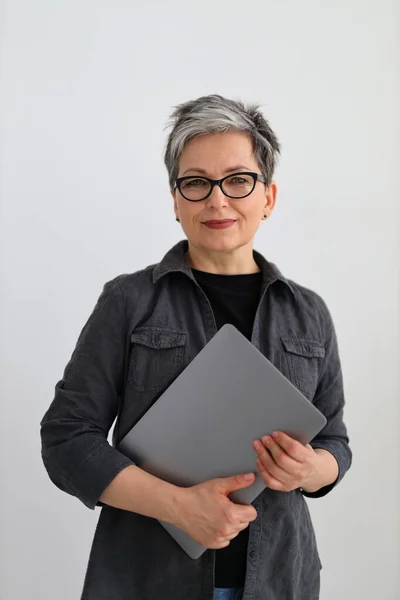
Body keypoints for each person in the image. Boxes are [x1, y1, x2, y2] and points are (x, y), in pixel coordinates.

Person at [40, 94, 352, 600]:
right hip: (146, 580)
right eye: (196, 183)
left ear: (268, 197)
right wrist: (176, 506)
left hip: (279, 580)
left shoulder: (309, 312)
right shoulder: (129, 300)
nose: (217, 199)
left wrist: (310, 469)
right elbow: (66, 439)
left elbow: (335, 442)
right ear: (176, 199)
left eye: (237, 180)